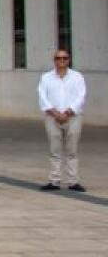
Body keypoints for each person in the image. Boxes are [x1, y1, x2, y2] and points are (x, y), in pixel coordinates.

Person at [38, 48, 87, 192]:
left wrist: (67, 112)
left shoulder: (77, 77)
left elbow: (81, 96)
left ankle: (73, 181)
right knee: (55, 151)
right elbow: (42, 97)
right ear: (54, 60)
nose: (62, 61)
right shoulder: (46, 77)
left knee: (72, 151)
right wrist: (54, 112)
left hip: (73, 118)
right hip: (52, 117)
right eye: (59, 58)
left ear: (69, 60)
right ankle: (54, 181)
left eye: (65, 58)